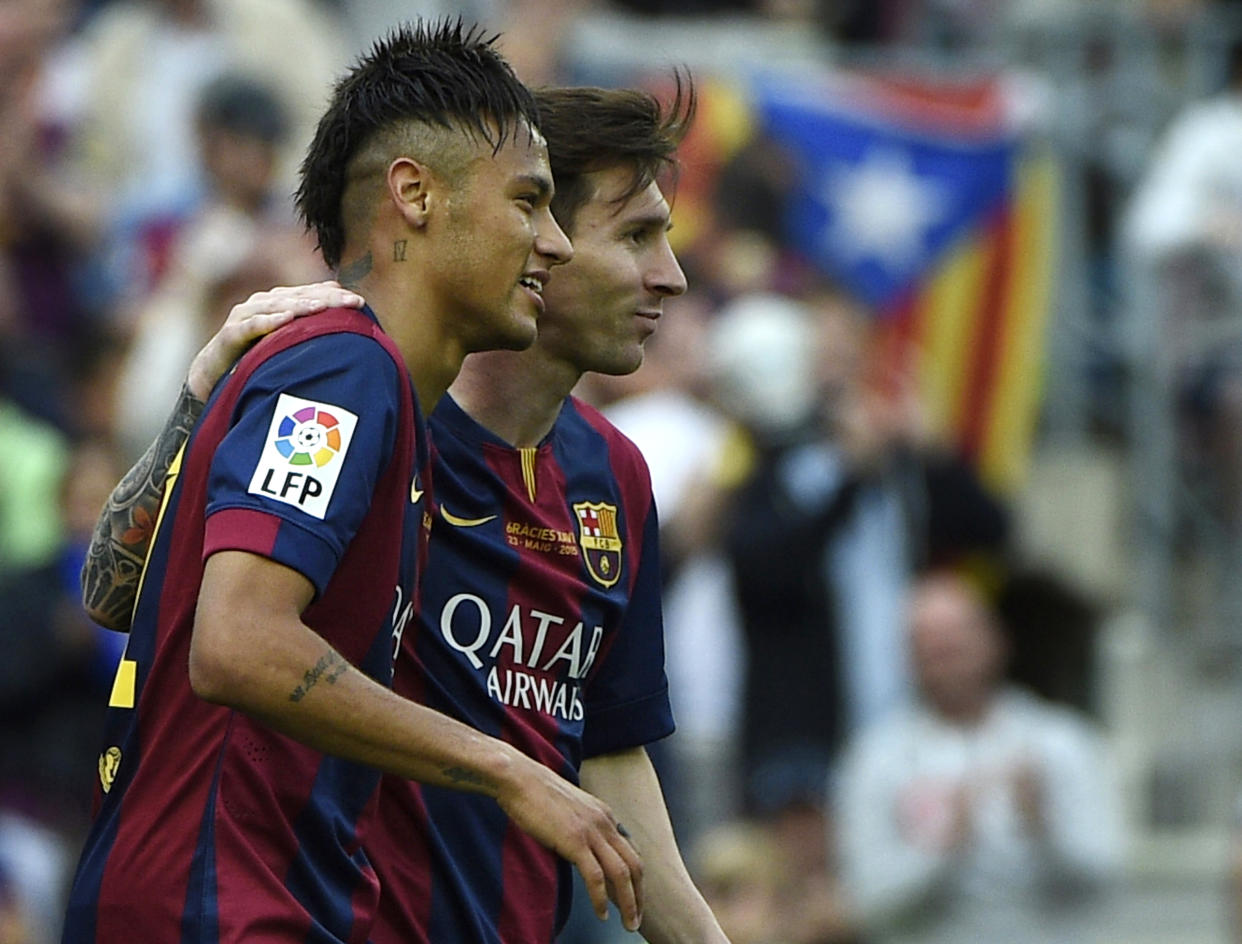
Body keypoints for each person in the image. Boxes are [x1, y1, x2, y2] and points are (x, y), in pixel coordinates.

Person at [77, 76, 727, 943]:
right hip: (257, 909)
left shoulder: (609, 478)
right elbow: (183, 621)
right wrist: (199, 403)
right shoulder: (356, 382)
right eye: (635, 234)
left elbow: (606, 752)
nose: (669, 276)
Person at [834, 571, 1123, 944]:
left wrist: (1044, 827)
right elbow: (867, 901)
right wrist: (943, 847)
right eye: (932, 647)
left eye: (957, 641)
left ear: (997, 640)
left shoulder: (1061, 741)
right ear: (907, 658)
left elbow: (1106, 875)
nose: (947, 658)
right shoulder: (877, 758)